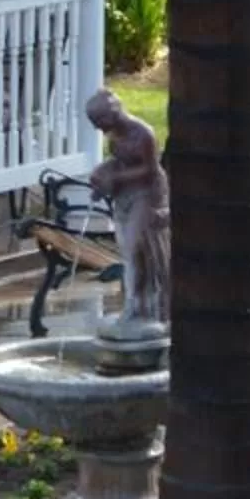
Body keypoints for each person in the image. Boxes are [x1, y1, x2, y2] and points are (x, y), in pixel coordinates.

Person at [85, 88, 168, 329]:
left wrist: (115, 179)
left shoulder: (143, 134)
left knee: (135, 247)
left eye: (99, 121)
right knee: (127, 250)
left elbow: (150, 170)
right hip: (124, 195)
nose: (97, 128)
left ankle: (141, 304)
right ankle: (135, 303)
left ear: (112, 114)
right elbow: (120, 161)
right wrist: (102, 173)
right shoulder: (114, 133)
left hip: (147, 194)